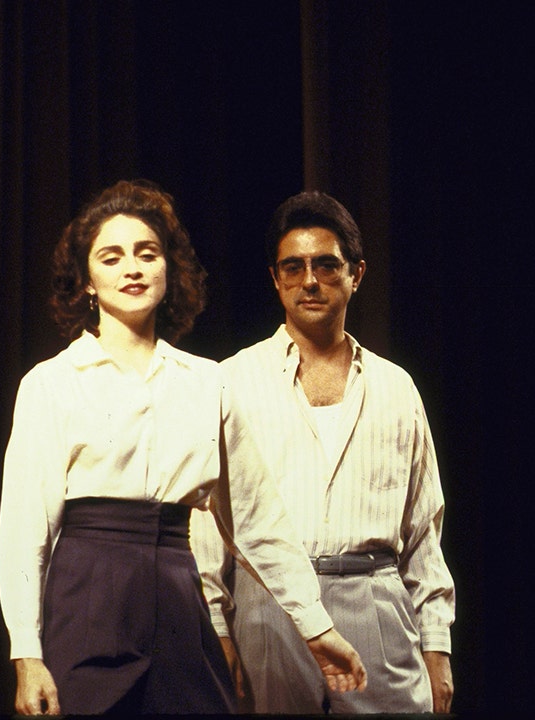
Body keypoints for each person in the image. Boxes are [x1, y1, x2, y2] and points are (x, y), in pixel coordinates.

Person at [0, 180, 367, 716]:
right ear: (88, 281)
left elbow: (258, 521)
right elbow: (24, 531)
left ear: (169, 271)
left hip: (175, 596)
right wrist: (26, 654)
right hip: (86, 595)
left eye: (148, 254)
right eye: (112, 256)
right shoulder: (51, 384)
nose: (133, 268)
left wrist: (316, 626)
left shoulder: (206, 383)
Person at [194, 190, 455, 714]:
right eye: (293, 267)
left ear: (356, 274)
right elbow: (207, 524)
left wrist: (437, 644)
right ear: (275, 278)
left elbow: (424, 528)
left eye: (326, 265)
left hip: (375, 604)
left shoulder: (396, 387)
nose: (309, 281)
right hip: (269, 613)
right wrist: (219, 629)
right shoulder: (232, 381)